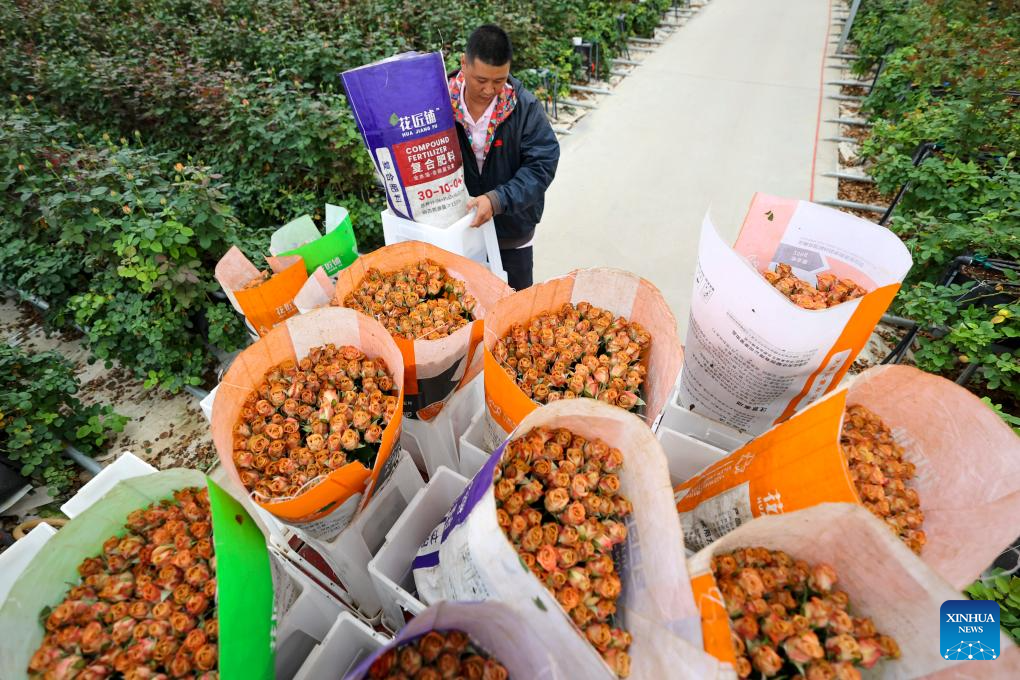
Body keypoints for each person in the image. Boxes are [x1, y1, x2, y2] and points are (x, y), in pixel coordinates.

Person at [449, 24, 560, 290]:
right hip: (457, 233)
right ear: (464, 63)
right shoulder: (438, 105)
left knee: (515, 305)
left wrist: (497, 199)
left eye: (499, 81)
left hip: (511, 233)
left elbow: (542, 164)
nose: (489, 90)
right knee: (464, 304)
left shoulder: (524, 107)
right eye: (481, 80)